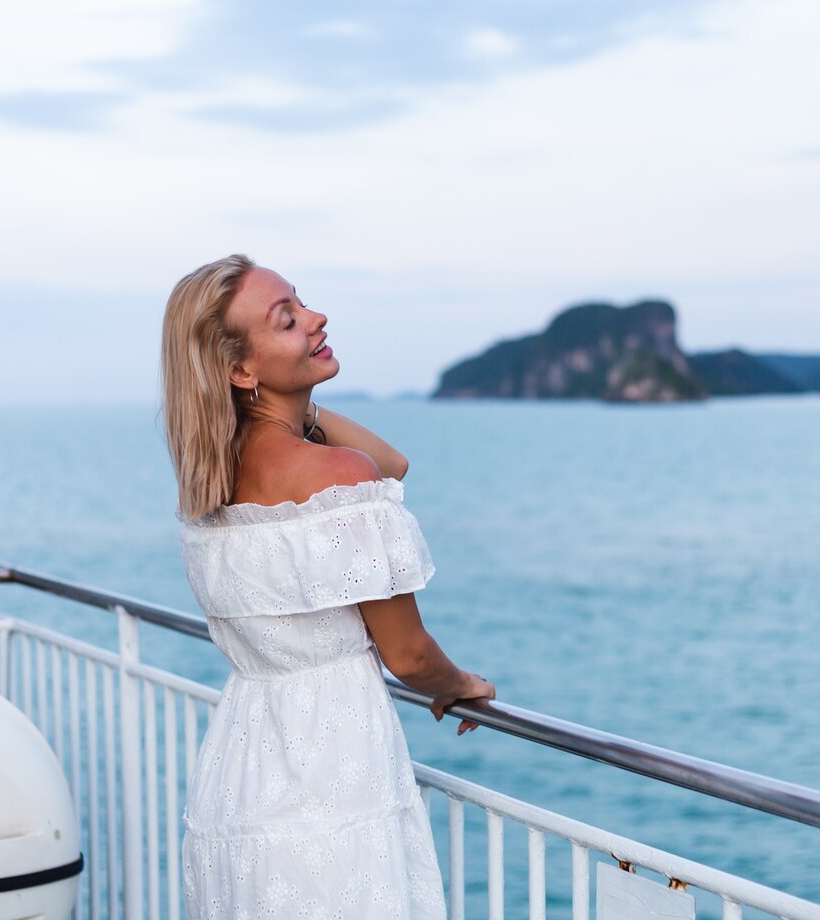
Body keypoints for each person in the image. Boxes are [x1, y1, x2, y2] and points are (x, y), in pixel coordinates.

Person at [162, 254, 495, 920]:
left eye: (302, 303)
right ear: (239, 369)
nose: (316, 320)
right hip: (336, 782)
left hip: (242, 784)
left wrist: (287, 402)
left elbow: (391, 467)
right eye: (288, 320)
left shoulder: (211, 481)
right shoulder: (336, 475)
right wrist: (460, 685)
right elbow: (408, 656)